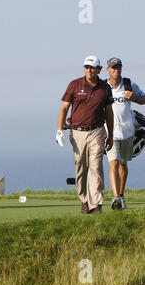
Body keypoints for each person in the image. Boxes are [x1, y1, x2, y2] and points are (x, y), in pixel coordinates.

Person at [56, 56, 114, 214]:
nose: (89, 70)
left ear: (99, 69)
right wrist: (59, 130)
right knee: (81, 167)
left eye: (92, 67)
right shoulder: (74, 85)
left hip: (97, 131)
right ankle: (84, 200)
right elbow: (64, 108)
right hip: (77, 132)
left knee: (96, 167)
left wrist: (110, 135)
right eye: (87, 67)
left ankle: (96, 204)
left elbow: (109, 113)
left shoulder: (105, 88)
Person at [105, 57, 145, 210]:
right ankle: (116, 199)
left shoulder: (128, 83)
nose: (116, 70)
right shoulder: (103, 86)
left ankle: (121, 195)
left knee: (123, 164)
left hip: (128, 131)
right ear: (108, 70)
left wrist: (134, 98)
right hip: (110, 131)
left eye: (118, 67)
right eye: (113, 68)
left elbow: (144, 99)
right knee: (113, 163)